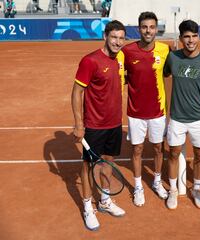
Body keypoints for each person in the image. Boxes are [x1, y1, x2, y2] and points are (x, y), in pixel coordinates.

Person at [71, 20, 126, 231]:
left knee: (108, 163)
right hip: (94, 125)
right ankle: (87, 207)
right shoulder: (90, 61)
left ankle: (104, 200)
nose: (118, 42)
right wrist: (79, 124)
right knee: (87, 166)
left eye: (121, 38)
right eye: (114, 37)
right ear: (105, 36)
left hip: (114, 123)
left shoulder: (120, 58)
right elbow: (77, 92)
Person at [163, 20, 200, 210]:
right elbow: (165, 74)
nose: (191, 40)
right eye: (186, 36)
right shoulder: (172, 58)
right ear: (180, 38)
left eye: (194, 36)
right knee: (173, 154)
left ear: (199, 37)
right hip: (177, 117)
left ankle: (197, 189)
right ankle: (173, 191)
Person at [121, 12, 170, 207]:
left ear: (156, 28)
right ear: (139, 28)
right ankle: (138, 187)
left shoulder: (165, 49)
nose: (148, 30)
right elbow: (118, 73)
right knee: (137, 149)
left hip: (158, 110)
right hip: (136, 112)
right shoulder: (127, 51)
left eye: (151, 27)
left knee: (158, 148)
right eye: (144, 27)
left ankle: (157, 182)